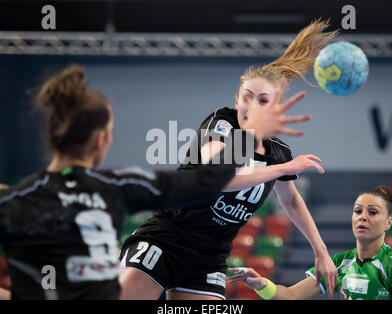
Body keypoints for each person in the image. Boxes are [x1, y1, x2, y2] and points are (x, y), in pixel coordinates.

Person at [0, 63, 313, 300]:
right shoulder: (125, 185)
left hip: (203, 257)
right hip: (161, 246)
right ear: (102, 141)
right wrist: (261, 140)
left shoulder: (16, 200)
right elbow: (211, 178)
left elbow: (211, 177)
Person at [119, 19, 339, 300]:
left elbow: (292, 200)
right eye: (247, 97)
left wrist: (321, 252)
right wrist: (283, 169)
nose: (252, 106)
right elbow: (217, 180)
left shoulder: (279, 153)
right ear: (236, 100)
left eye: (263, 100)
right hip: (167, 238)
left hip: (209, 258)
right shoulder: (219, 124)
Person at [228, 186, 392, 300]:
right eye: (358, 210)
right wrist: (262, 284)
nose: (363, 216)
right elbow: (292, 295)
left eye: (373, 212)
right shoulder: (340, 263)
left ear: (388, 223)